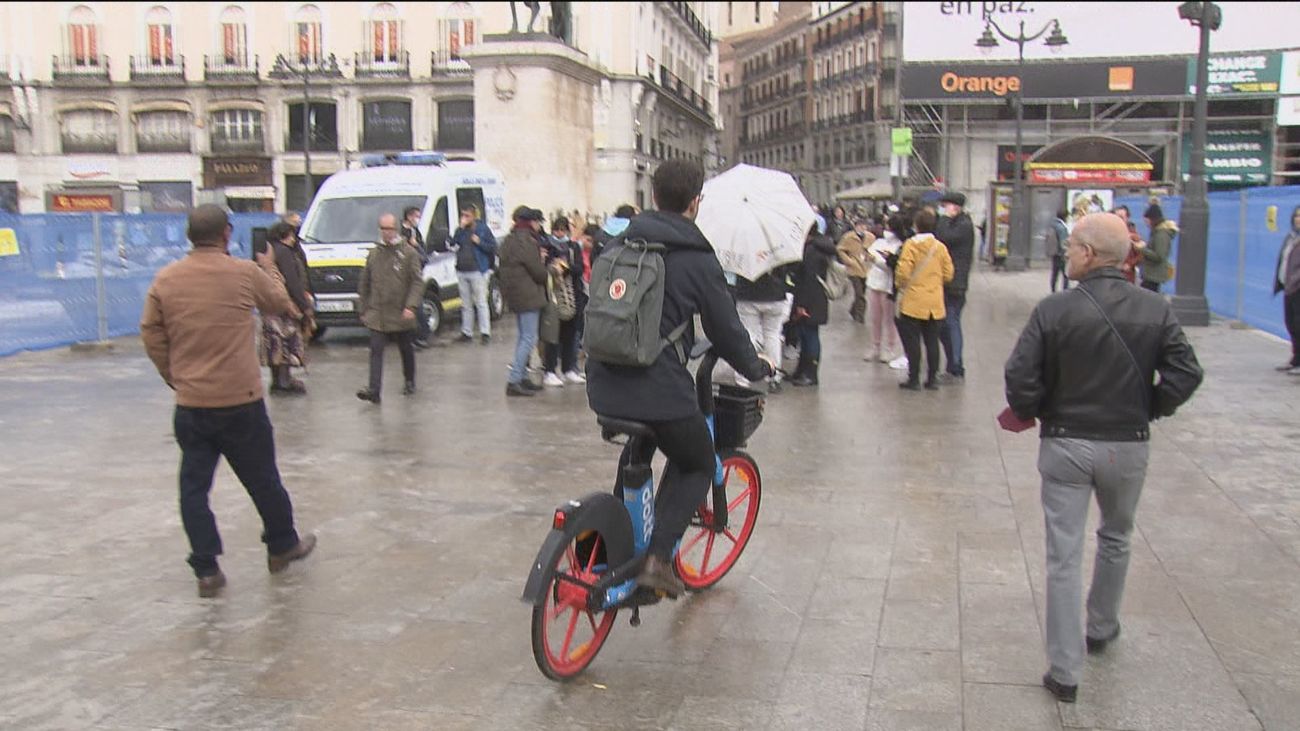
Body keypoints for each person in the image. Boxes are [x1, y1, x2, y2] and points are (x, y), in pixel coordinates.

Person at [1004, 212, 1203, 704]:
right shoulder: (1155, 309)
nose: (1066, 253)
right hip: (1128, 443)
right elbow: (1186, 372)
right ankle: (1101, 626)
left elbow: (1020, 375)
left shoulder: (1054, 310)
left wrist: (1033, 409)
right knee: (1117, 535)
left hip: (1066, 443)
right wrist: (1150, 407)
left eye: (1071, 247)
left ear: (1090, 255)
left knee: (1064, 555)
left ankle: (1065, 670)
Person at [586, 160, 773, 597]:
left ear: (652, 197)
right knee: (699, 461)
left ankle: (616, 539)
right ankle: (657, 558)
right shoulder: (695, 259)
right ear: (695, 203)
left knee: (641, 446)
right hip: (660, 392)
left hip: (603, 386)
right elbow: (726, 330)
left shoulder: (616, 245)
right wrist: (755, 367)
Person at [140, 205, 317, 599]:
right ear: (226, 234)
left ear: (190, 236)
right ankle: (282, 545)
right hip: (241, 402)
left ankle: (206, 569)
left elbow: (150, 331)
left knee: (193, 488)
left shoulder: (166, 279)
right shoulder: (242, 273)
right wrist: (269, 265)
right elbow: (278, 301)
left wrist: (174, 375)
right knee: (263, 479)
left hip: (192, 405)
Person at [356, 213, 424, 404]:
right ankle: (374, 390)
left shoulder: (408, 253)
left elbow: (417, 282)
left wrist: (411, 306)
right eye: (383, 229)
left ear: (395, 229)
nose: (386, 233)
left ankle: (409, 380)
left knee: (405, 348)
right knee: (376, 350)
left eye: (389, 229)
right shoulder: (374, 253)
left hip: (401, 311)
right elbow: (365, 282)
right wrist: (363, 308)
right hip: (378, 312)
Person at [894, 208, 954, 391]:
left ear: (916, 225)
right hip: (934, 302)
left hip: (913, 302)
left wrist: (900, 284)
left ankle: (914, 379)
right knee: (932, 341)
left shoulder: (911, 245)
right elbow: (949, 274)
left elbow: (903, 273)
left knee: (913, 342)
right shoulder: (940, 247)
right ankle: (932, 379)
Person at [499, 206, 549, 397]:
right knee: (529, 338)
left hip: (514, 294)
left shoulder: (509, 240)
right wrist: (545, 265)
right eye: (537, 222)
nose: (538, 226)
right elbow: (538, 272)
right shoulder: (527, 241)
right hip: (528, 295)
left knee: (523, 337)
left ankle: (521, 377)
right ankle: (514, 380)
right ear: (531, 222)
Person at [261, 221, 313, 395]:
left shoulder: (269, 251)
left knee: (274, 343)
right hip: (285, 307)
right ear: (286, 235)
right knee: (285, 342)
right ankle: (284, 382)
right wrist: (304, 306)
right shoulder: (284, 252)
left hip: (270, 307)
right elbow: (292, 281)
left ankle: (277, 382)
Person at [788, 223, 837, 387]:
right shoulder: (820, 247)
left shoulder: (812, 251)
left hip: (810, 299)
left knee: (810, 336)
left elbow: (808, 279)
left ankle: (811, 373)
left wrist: (802, 305)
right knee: (806, 334)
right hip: (817, 298)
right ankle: (803, 370)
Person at [735, 263, 795, 392]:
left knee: (748, 335)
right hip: (776, 294)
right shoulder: (775, 244)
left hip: (747, 294)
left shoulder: (743, 246)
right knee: (772, 336)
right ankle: (774, 378)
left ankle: (742, 379)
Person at [541, 216, 587, 386]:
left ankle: (569, 369)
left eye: (562, 230)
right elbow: (544, 268)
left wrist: (566, 268)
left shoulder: (573, 247)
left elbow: (580, 268)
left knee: (570, 335)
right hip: (553, 296)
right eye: (556, 229)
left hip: (572, 295)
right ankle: (550, 370)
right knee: (552, 336)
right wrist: (553, 266)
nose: (559, 233)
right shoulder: (547, 246)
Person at [935, 191, 975, 381]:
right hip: (949, 282)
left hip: (955, 284)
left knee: (951, 323)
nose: (943, 209)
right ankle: (952, 363)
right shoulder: (958, 223)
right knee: (945, 324)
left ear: (955, 207)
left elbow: (943, 236)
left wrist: (943, 218)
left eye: (945, 206)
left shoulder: (964, 226)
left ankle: (956, 366)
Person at [451, 204, 498, 345]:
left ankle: (485, 332)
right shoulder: (460, 230)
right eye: (462, 215)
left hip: (477, 270)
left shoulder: (482, 229)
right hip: (462, 270)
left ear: (474, 216)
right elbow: (453, 244)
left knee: (481, 302)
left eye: (467, 216)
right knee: (466, 304)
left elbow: (493, 247)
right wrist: (459, 229)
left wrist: (479, 242)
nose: (464, 218)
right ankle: (467, 332)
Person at [864, 213, 905, 363]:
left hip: (888, 285)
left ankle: (890, 347)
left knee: (889, 319)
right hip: (874, 282)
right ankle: (875, 345)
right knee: (875, 318)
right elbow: (868, 254)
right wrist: (869, 257)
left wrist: (876, 260)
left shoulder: (900, 244)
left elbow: (893, 266)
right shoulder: (879, 242)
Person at [1275, 205, 1300, 375]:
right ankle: (1295, 358)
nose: (1298, 218)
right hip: (1288, 287)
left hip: (1297, 287)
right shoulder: (1290, 238)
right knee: (1290, 323)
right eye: (1297, 215)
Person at [836, 217, 874, 324]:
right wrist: (848, 260)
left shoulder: (870, 237)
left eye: (864, 226)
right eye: (860, 226)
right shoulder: (848, 237)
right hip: (853, 268)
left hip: (866, 268)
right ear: (855, 226)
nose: (862, 228)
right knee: (859, 293)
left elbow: (874, 249)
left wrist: (871, 257)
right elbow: (840, 249)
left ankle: (853, 310)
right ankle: (860, 316)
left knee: (863, 291)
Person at [1139, 202, 1176, 293]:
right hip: (1151, 274)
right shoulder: (1156, 232)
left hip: (1154, 276)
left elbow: (1159, 256)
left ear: (1153, 219)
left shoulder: (1161, 235)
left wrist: (1142, 249)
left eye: (1147, 220)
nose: (1146, 223)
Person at [1112, 206, 1144, 285]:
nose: (1119, 220)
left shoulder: (1133, 236)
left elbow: (1141, 255)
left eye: (1121, 217)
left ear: (1127, 218)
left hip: (1127, 276)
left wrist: (1130, 264)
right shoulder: (1109, 233)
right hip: (1112, 274)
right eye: (1116, 217)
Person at [1046, 209, 1071, 293]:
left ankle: (1053, 291)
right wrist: (1067, 253)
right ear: (1065, 217)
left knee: (1054, 274)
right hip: (1061, 254)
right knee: (1066, 274)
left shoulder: (1053, 224)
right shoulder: (1061, 227)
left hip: (1055, 253)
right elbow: (1063, 242)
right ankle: (1065, 292)